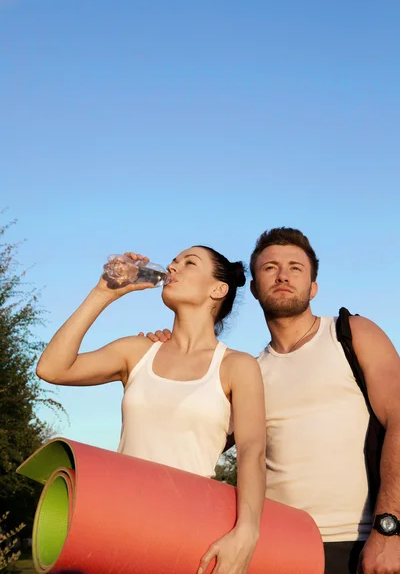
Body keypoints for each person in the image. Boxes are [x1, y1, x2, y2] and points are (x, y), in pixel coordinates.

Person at [145, 228, 400, 574]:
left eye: (295, 268)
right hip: (278, 548)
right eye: (269, 268)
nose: (282, 275)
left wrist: (389, 529)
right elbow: (191, 435)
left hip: (358, 543)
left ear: (313, 287)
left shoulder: (351, 334)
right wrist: (168, 361)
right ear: (253, 287)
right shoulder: (245, 371)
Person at [36, 246, 266, 574]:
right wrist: (103, 293)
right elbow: (52, 368)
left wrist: (247, 531)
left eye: (189, 263)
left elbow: (252, 451)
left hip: (189, 530)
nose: (173, 267)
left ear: (218, 288)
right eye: (174, 261)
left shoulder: (237, 366)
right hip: (119, 522)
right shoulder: (137, 350)